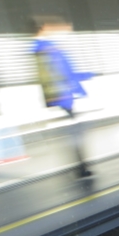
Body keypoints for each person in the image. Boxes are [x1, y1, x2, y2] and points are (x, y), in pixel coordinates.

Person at [33, 18, 94, 177]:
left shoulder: (41, 49)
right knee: (75, 135)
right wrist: (85, 78)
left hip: (58, 97)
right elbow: (64, 73)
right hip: (63, 97)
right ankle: (81, 167)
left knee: (72, 135)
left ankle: (79, 166)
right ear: (44, 28)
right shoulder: (49, 49)